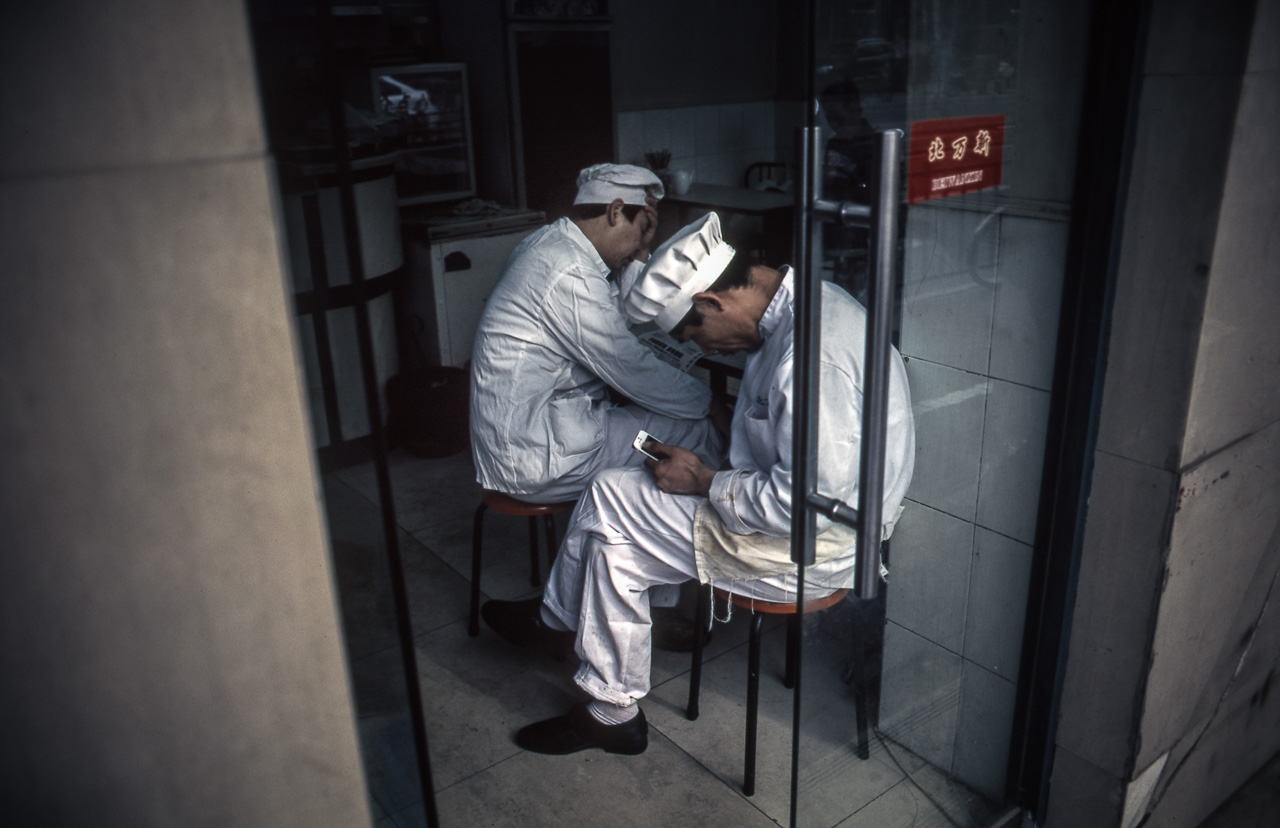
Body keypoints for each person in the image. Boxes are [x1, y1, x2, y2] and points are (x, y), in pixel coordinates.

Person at [481, 212, 916, 755]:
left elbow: (803, 509)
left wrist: (707, 481)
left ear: (713, 302)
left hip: (810, 551)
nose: (704, 349)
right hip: (800, 518)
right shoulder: (807, 303)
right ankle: (591, 654)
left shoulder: (813, 363)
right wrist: (708, 473)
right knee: (618, 529)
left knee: (612, 506)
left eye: (695, 332)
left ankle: (587, 666)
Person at [470, 163, 728, 506]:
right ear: (616, 210)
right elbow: (627, 364)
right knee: (695, 426)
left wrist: (639, 252)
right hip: (537, 457)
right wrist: (710, 402)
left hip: (530, 438)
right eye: (641, 229)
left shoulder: (550, 245)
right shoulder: (568, 271)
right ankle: (703, 532)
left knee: (665, 408)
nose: (641, 240)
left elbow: (616, 319)